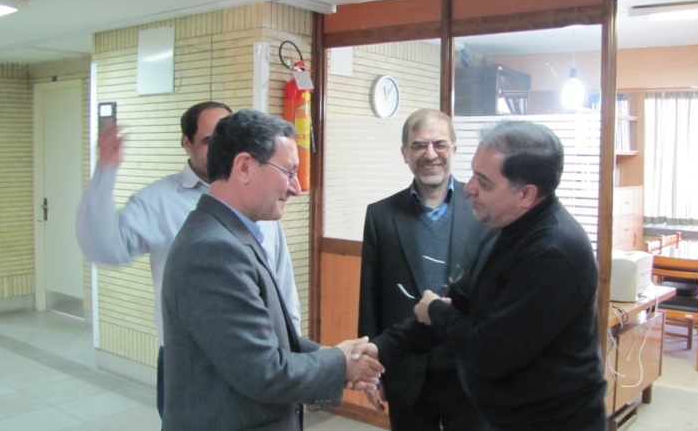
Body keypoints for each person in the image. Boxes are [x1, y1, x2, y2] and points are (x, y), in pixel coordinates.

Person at [364, 120, 607, 431]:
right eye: (473, 173)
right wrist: (380, 348)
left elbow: (490, 351)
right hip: (503, 412)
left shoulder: (553, 252)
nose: (469, 188)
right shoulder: (502, 229)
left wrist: (435, 310)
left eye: (484, 182)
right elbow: (460, 302)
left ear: (526, 195)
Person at [75, 101, 302, 417]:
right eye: (210, 141)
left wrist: (294, 349)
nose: (223, 148)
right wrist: (105, 170)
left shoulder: (261, 201)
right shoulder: (159, 201)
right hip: (191, 365)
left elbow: (281, 282)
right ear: (188, 143)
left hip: (263, 360)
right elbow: (103, 246)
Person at [161, 109, 383, 430]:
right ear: (245, 167)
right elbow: (264, 372)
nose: (296, 187)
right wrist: (340, 363)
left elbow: (263, 341)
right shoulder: (214, 250)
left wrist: (334, 355)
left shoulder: (232, 233)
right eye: (289, 171)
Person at [358, 108, 490, 430]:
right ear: (405, 153)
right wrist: (371, 370)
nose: (430, 154)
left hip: (471, 371)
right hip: (407, 371)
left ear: (453, 149)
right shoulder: (381, 216)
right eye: (419, 145)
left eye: (439, 144)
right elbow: (370, 301)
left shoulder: (484, 210)